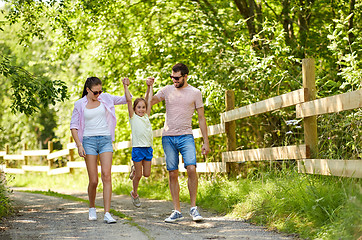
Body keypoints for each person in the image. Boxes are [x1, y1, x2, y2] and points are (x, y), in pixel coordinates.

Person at [150, 63, 210, 222]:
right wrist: (150, 87)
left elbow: (201, 118)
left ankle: (193, 208)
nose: (174, 80)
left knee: (191, 168)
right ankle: (177, 210)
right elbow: (150, 102)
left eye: (177, 78)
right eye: (172, 77)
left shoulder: (195, 93)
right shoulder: (167, 90)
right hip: (168, 137)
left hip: (186, 136)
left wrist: (206, 142)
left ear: (185, 77)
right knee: (172, 172)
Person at [70, 76, 130, 224]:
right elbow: (74, 126)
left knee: (106, 175)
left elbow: (126, 99)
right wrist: (79, 145)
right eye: (95, 92)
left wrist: (126, 85)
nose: (98, 95)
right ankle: (91, 207)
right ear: (88, 90)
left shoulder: (106, 98)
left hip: (105, 140)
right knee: (94, 180)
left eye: (100, 91)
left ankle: (107, 213)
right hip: (88, 141)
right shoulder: (79, 104)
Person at [122, 77, 154, 208]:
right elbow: (129, 100)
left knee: (147, 174)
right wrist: (126, 86)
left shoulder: (146, 116)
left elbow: (149, 100)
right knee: (139, 175)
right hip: (137, 149)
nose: (141, 109)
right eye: (139, 107)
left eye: (143, 107)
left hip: (147, 148)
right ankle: (134, 193)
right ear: (134, 109)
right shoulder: (133, 118)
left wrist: (149, 87)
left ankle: (135, 168)